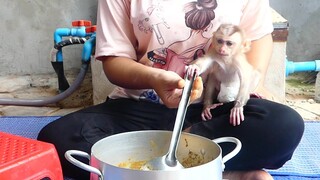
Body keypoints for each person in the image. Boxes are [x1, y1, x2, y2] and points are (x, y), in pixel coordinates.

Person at [38, 0, 305, 179]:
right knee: (56, 139)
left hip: (212, 114)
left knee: (283, 125)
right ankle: (219, 173)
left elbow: (258, 38)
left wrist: (243, 91)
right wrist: (155, 78)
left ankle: (148, 169)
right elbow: (114, 60)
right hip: (139, 109)